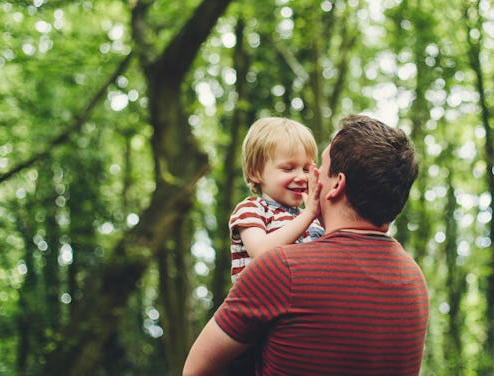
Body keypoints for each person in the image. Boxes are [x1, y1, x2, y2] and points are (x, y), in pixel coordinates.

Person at [183, 115, 429, 376]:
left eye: (316, 168)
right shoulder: (414, 279)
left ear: (337, 185)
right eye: (289, 169)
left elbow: (195, 371)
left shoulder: (285, 269)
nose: (307, 178)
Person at [229, 116, 324, 284]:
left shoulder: (314, 220)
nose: (301, 177)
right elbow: (260, 252)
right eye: (288, 169)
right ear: (255, 172)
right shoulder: (251, 209)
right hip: (261, 306)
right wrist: (309, 214)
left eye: (307, 169)